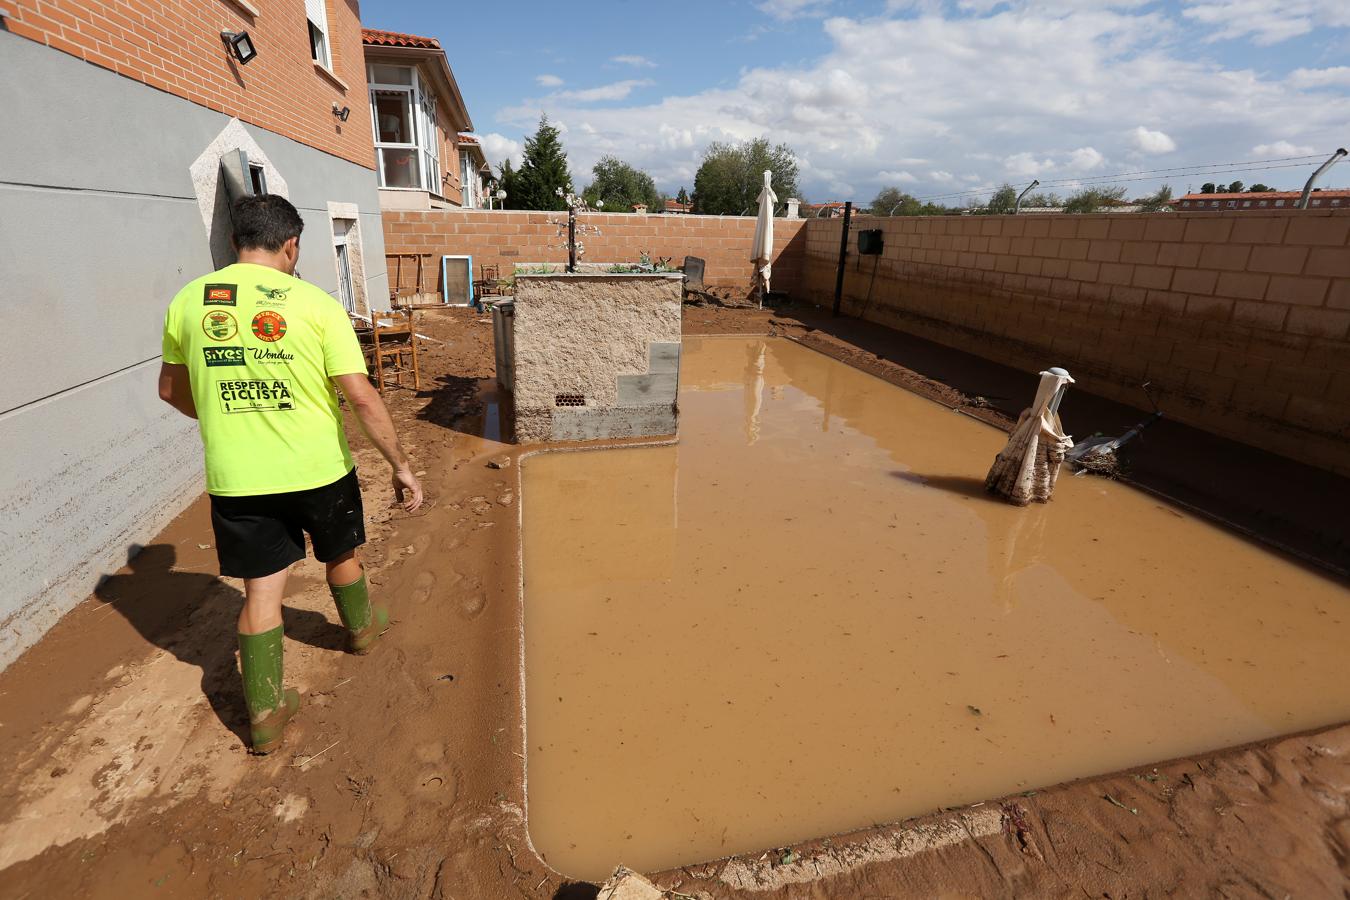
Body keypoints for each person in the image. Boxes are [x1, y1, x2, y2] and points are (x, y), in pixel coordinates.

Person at [158, 194, 423, 754]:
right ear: (291, 244)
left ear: (234, 243)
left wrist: (232, 414)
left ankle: (266, 716)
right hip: (318, 470)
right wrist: (399, 466)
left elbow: (170, 391)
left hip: (239, 477)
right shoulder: (314, 304)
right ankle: (362, 632)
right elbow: (361, 397)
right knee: (341, 557)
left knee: (261, 593)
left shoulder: (188, 302)